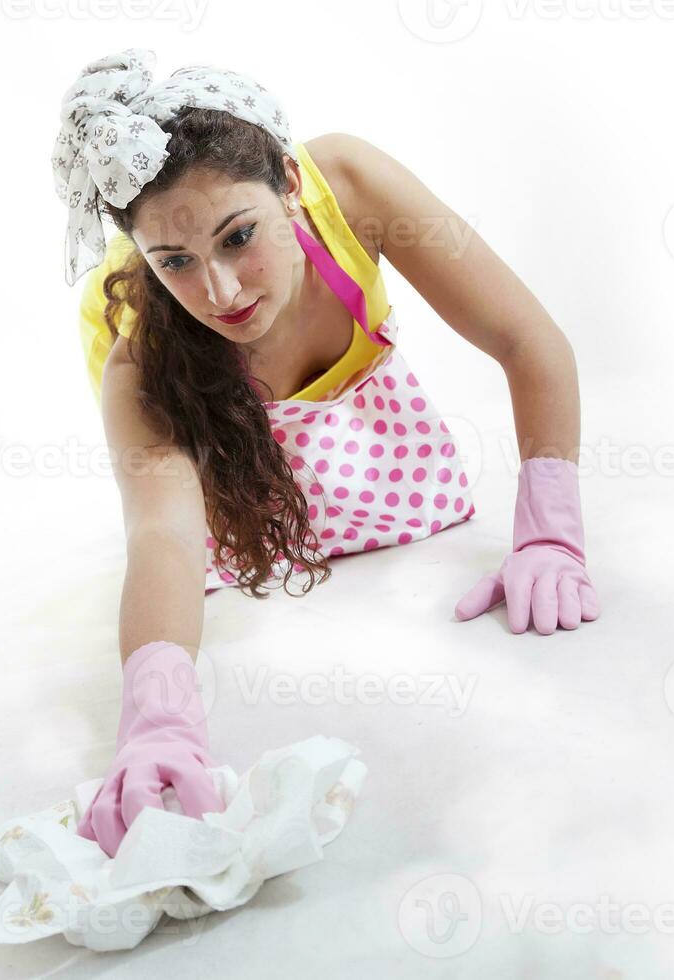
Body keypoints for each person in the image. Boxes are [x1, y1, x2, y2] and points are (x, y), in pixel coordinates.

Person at [53, 48, 601, 857]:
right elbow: (164, 534)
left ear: (288, 181)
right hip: (230, 473)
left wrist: (551, 530)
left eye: (239, 237)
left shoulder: (349, 189)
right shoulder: (142, 362)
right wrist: (157, 720)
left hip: (384, 473)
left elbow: (525, 338)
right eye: (174, 262)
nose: (223, 293)